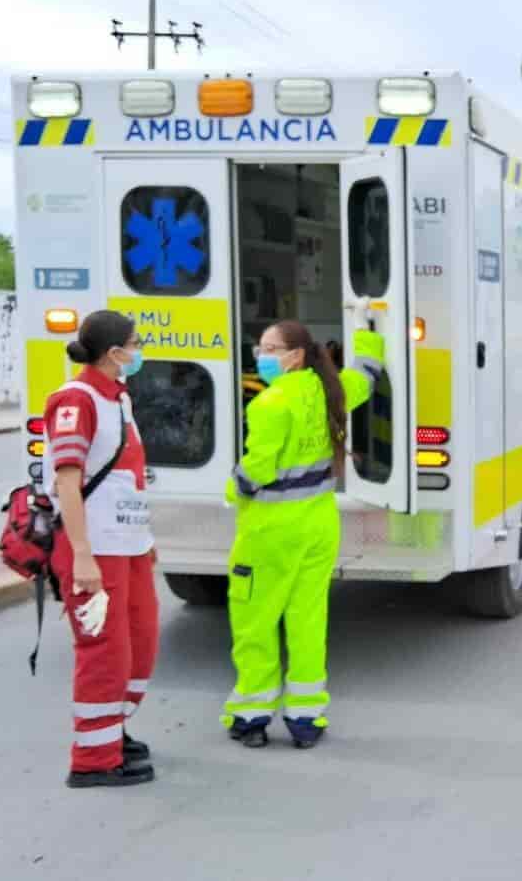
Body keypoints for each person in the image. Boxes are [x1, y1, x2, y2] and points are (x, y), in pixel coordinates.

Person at [222, 320, 383, 749]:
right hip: (318, 525)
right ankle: (306, 718)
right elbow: (367, 373)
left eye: (270, 347)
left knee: (255, 622)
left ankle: (252, 716)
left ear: (295, 355)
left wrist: (232, 490)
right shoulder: (328, 390)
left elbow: (257, 468)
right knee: (308, 622)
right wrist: (368, 326)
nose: (261, 353)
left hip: (271, 531)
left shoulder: (269, 404)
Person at [43, 310, 158, 788]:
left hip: (127, 545)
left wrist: (145, 543)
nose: (139, 351)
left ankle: (113, 730)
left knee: (140, 640)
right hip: (94, 550)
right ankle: (92, 760)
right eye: (135, 343)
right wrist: (83, 555)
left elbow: (125, 478)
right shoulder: (76, 400)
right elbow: (68, 483)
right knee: (104, 650)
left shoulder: (118, 397)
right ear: (115, 354)